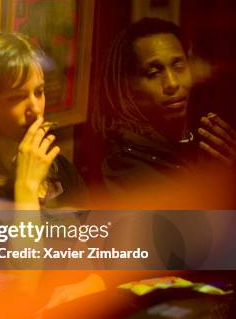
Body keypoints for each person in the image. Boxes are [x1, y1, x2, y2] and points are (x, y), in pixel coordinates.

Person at [0, 31, 87, 208]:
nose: (35, 109)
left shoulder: (60, 168)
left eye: (39, 92)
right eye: (16, 98)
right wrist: (27, 189)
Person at [94, 17, 236, 195]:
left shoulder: (203, 136)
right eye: (153, 73)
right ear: (128, 88)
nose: (172, 83)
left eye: (178, 67)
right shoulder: (125, 168)